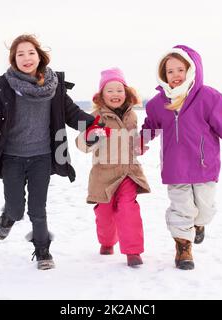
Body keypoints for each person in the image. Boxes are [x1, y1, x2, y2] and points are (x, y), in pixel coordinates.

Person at [0, 34, 108, 270]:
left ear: (39, 55)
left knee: (38, 208)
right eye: (20, 54)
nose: (26, 58)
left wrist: (94, 124)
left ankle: (42, 249)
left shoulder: (53, 86)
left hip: (42, 157)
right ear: (13, 59)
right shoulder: (5, 88)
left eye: (31, 52)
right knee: (15, 207)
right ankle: (7, 217)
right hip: (12, 158)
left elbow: (72, 113)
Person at [140, 45, 222, 270]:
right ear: (164, 75)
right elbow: (150, 125)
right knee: (182, 209)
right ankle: (183, 248)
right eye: (170, 71)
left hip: (204, 164)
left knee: (205, 207)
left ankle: (199, 225)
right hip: (175, 167)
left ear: (191, 69)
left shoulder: (208, 97)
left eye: (180, 69)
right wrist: (140, 142)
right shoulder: (158, 102)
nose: (175, 75)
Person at [75, 68, 151, 267]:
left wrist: (138, 146)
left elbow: (133, 140)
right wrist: (90, 137)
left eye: (119, 90)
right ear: (101, 95)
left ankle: (133, 252)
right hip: (104, 174)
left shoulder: (132, 116)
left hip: (128, 172)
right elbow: (80, 144)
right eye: (110, 90)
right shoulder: (95, 117)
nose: (115, 94)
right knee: (105, 213)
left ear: (126, 93)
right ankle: (107, 242)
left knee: (128, 208)